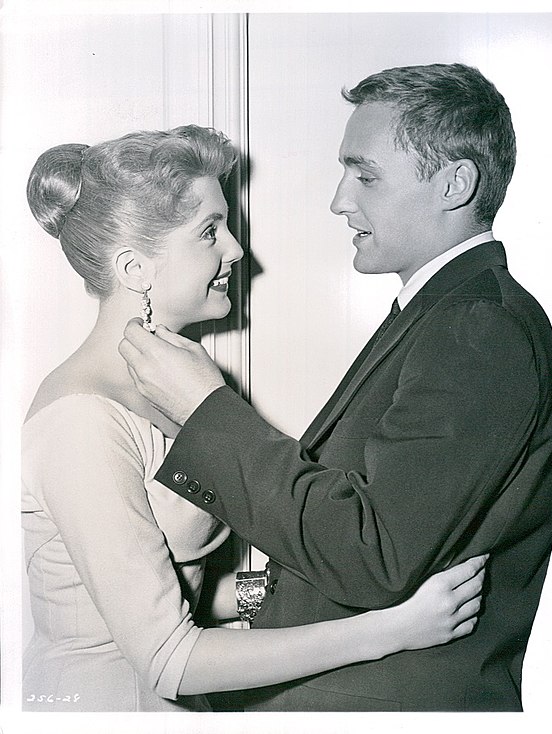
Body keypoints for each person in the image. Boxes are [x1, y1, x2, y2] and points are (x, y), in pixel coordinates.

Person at [120, 64, 552, 712]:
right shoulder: (439, 314)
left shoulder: (476, 327)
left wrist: (205, 410)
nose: (340, 200)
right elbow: (355, 541)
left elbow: (371, 554)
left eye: (366, 175)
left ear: (455, 184)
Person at [22, 124, 487, 713]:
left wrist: (283, 597)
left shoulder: (179, 387)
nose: (236, 250)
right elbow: (169, 656)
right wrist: (390, 629)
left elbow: (172, 590)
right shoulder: (81, 421)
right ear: (134, 268)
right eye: (209, 232)